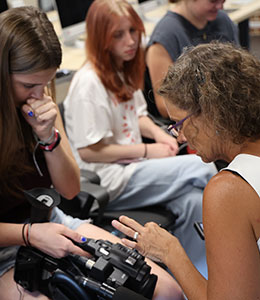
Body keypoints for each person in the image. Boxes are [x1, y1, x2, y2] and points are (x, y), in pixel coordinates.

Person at [0, 6, 183, 300]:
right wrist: (29, 234)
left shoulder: (42, 100)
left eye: (46, 83)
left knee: (167, 291)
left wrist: (47, 137)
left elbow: (69, 189)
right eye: (29, 85)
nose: (39, 95)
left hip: (52, 222)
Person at [64, 0, 217, 279]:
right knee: (204, 167)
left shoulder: (121, 69)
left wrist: (161, 135)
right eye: (119, 35)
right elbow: (89, 152)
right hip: (110, 176)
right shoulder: (88, 83)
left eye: (133, 31)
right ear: (101, 38)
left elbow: (137, 114)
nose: (132, 41)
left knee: (194, 202)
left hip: (134, 167)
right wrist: (149, 150)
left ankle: (196, 280)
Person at [112, 41, 260, 300]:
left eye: (178, 123)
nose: (179, 137)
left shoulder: (229, 191)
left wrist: (170, 251)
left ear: (212, 112)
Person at [144, 0, 239, 121]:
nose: (220, 6)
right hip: (197, 121)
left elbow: (239, 73)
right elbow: (165, 104)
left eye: (223, 0)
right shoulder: (166, 35)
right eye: (213, 1)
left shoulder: (222, 20)